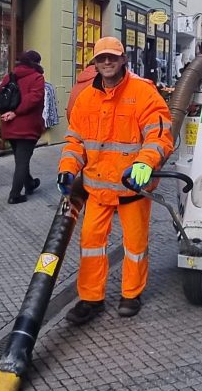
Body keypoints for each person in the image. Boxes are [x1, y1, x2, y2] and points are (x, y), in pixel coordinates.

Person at [58, 36, 173, 324]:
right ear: (94, 63)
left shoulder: (143, 93)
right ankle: (91, 299)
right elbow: (75, 140)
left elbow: (159, 135)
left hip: (132, 188)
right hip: (96, 189)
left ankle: (131, 294)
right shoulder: (86, 98)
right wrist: (68, 167)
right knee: (91, 243)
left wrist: (145, 163)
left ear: (123, 59)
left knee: (134, 244)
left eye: (112, 57)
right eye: (101, 58)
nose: (107, 62)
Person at [0, 50, 45, 204]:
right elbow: (34, 98)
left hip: (9, 126)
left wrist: (6, 112)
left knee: (20, 159)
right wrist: (16, 112)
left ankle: (29, 184)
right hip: (27, 126)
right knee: (22, 161)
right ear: (36, 63)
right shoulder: (37, 77)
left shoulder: (9, 76)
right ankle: (15, 195)